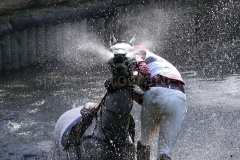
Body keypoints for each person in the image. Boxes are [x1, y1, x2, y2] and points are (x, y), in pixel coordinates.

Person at [133, 45, 187, 160]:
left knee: (144, 143)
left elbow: (145, 74)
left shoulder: (138, 56)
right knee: (164, 153)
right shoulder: (162, 62)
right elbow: (155, 98)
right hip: (179, 97)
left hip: (156, 91)